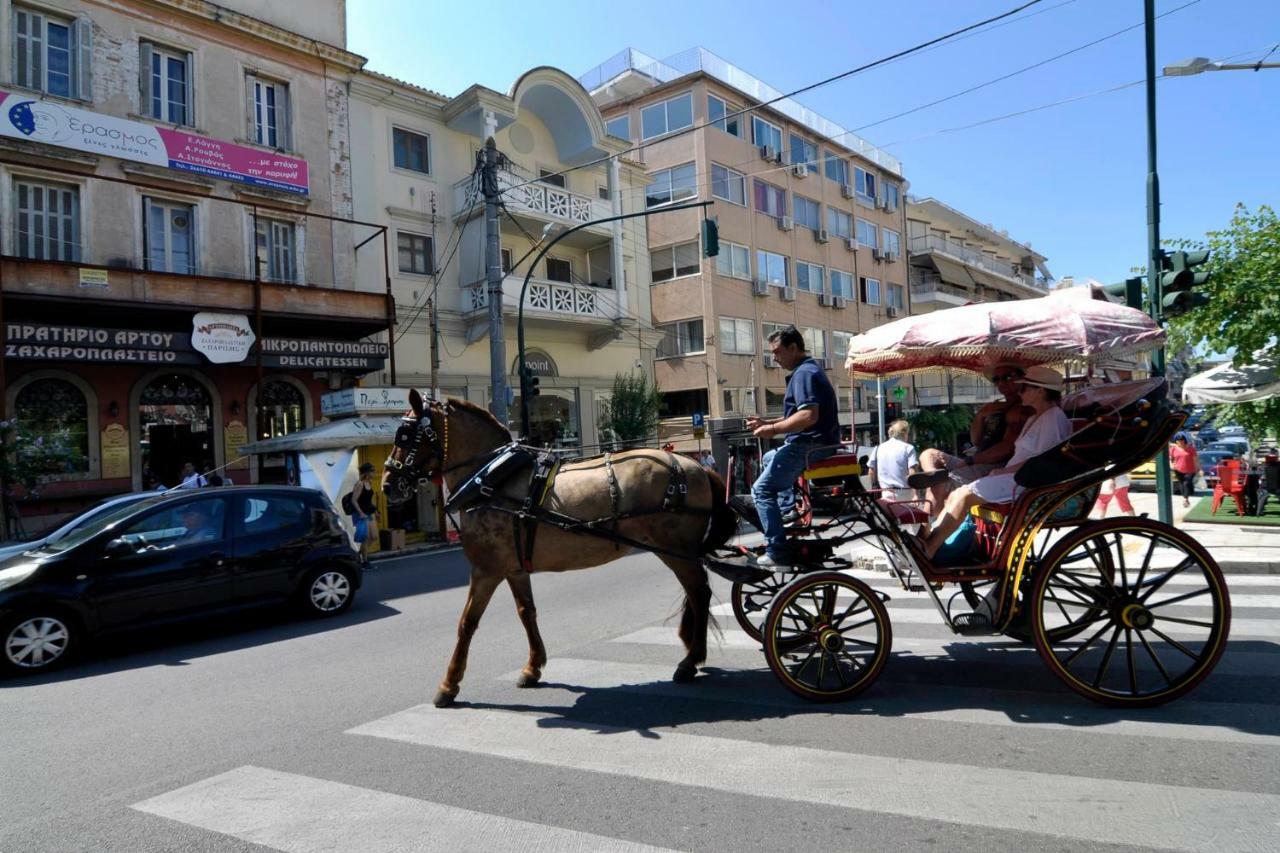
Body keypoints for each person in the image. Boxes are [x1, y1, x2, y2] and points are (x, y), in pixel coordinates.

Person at [921, 366, 1072, 562]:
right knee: (958, 494)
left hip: (1026, 481)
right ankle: (929, 540)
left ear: (1040, 391)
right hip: (1015, 476)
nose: (1020, 391)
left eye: (1024, 388)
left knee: (963, 495)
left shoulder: (1053, 418)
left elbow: (1041, 460)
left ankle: (930, 548)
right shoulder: (1037, 416)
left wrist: (1002, 471)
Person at [747, 327, 840, 568]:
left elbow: (808, 416)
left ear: (793, 348)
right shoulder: (807, 370)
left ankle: (777, 551)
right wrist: (768, 423)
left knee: (761, 490)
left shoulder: (804, 374)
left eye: (778, 352)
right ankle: (788, 510)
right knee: (769, 457)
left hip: (813, 444)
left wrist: (774, 429)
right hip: (816, 442)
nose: (775, 358)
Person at [909, 363, 1033, 516]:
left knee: (937, 487)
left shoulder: (1020, 410)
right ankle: (932, 475)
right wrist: (981, 415)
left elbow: (1007, 448)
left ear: (1022, 379)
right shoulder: (995, 407)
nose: (1001, 382)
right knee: (928, 454)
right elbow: (976, 440)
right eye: (996, 379)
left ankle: (925, 531)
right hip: (979, 458)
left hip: (995, 464)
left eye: (1007, 377)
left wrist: (970, 461)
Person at [868, 419, 921, 503]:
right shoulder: (908, 448)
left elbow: (871, 471)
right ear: (904, 433)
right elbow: (913, 472)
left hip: (885, 494)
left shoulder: (878, 448)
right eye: (908, 433)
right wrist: (916, 494)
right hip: (905, 495)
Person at [351, 462, 379, 564]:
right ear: (366, 472)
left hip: (370, 512)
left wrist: (375, 511)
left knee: (374, 536)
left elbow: (369, 500)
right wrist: (361, 513)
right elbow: (354, 500)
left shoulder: (369, 483)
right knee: (365, 538)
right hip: (362, 514)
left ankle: (358, 555)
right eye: (372, 471)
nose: (374, 473)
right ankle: (365, 561)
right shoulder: (360, 484)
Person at [1169, 433, 1200, 508]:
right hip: (1178, 469)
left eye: (1182, 440)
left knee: (1186, 483)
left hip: (1190, 470)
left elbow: (1195, 459)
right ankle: (1185, 498)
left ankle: (1185, 499)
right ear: (1176, 441)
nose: (1180, 442)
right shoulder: (1173, 449)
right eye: (1178, 440)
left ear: (1185, 440)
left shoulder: (1191, 448)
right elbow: (1170, 458)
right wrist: (1171, 465)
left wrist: (1198, 468)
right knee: (1181, 483)